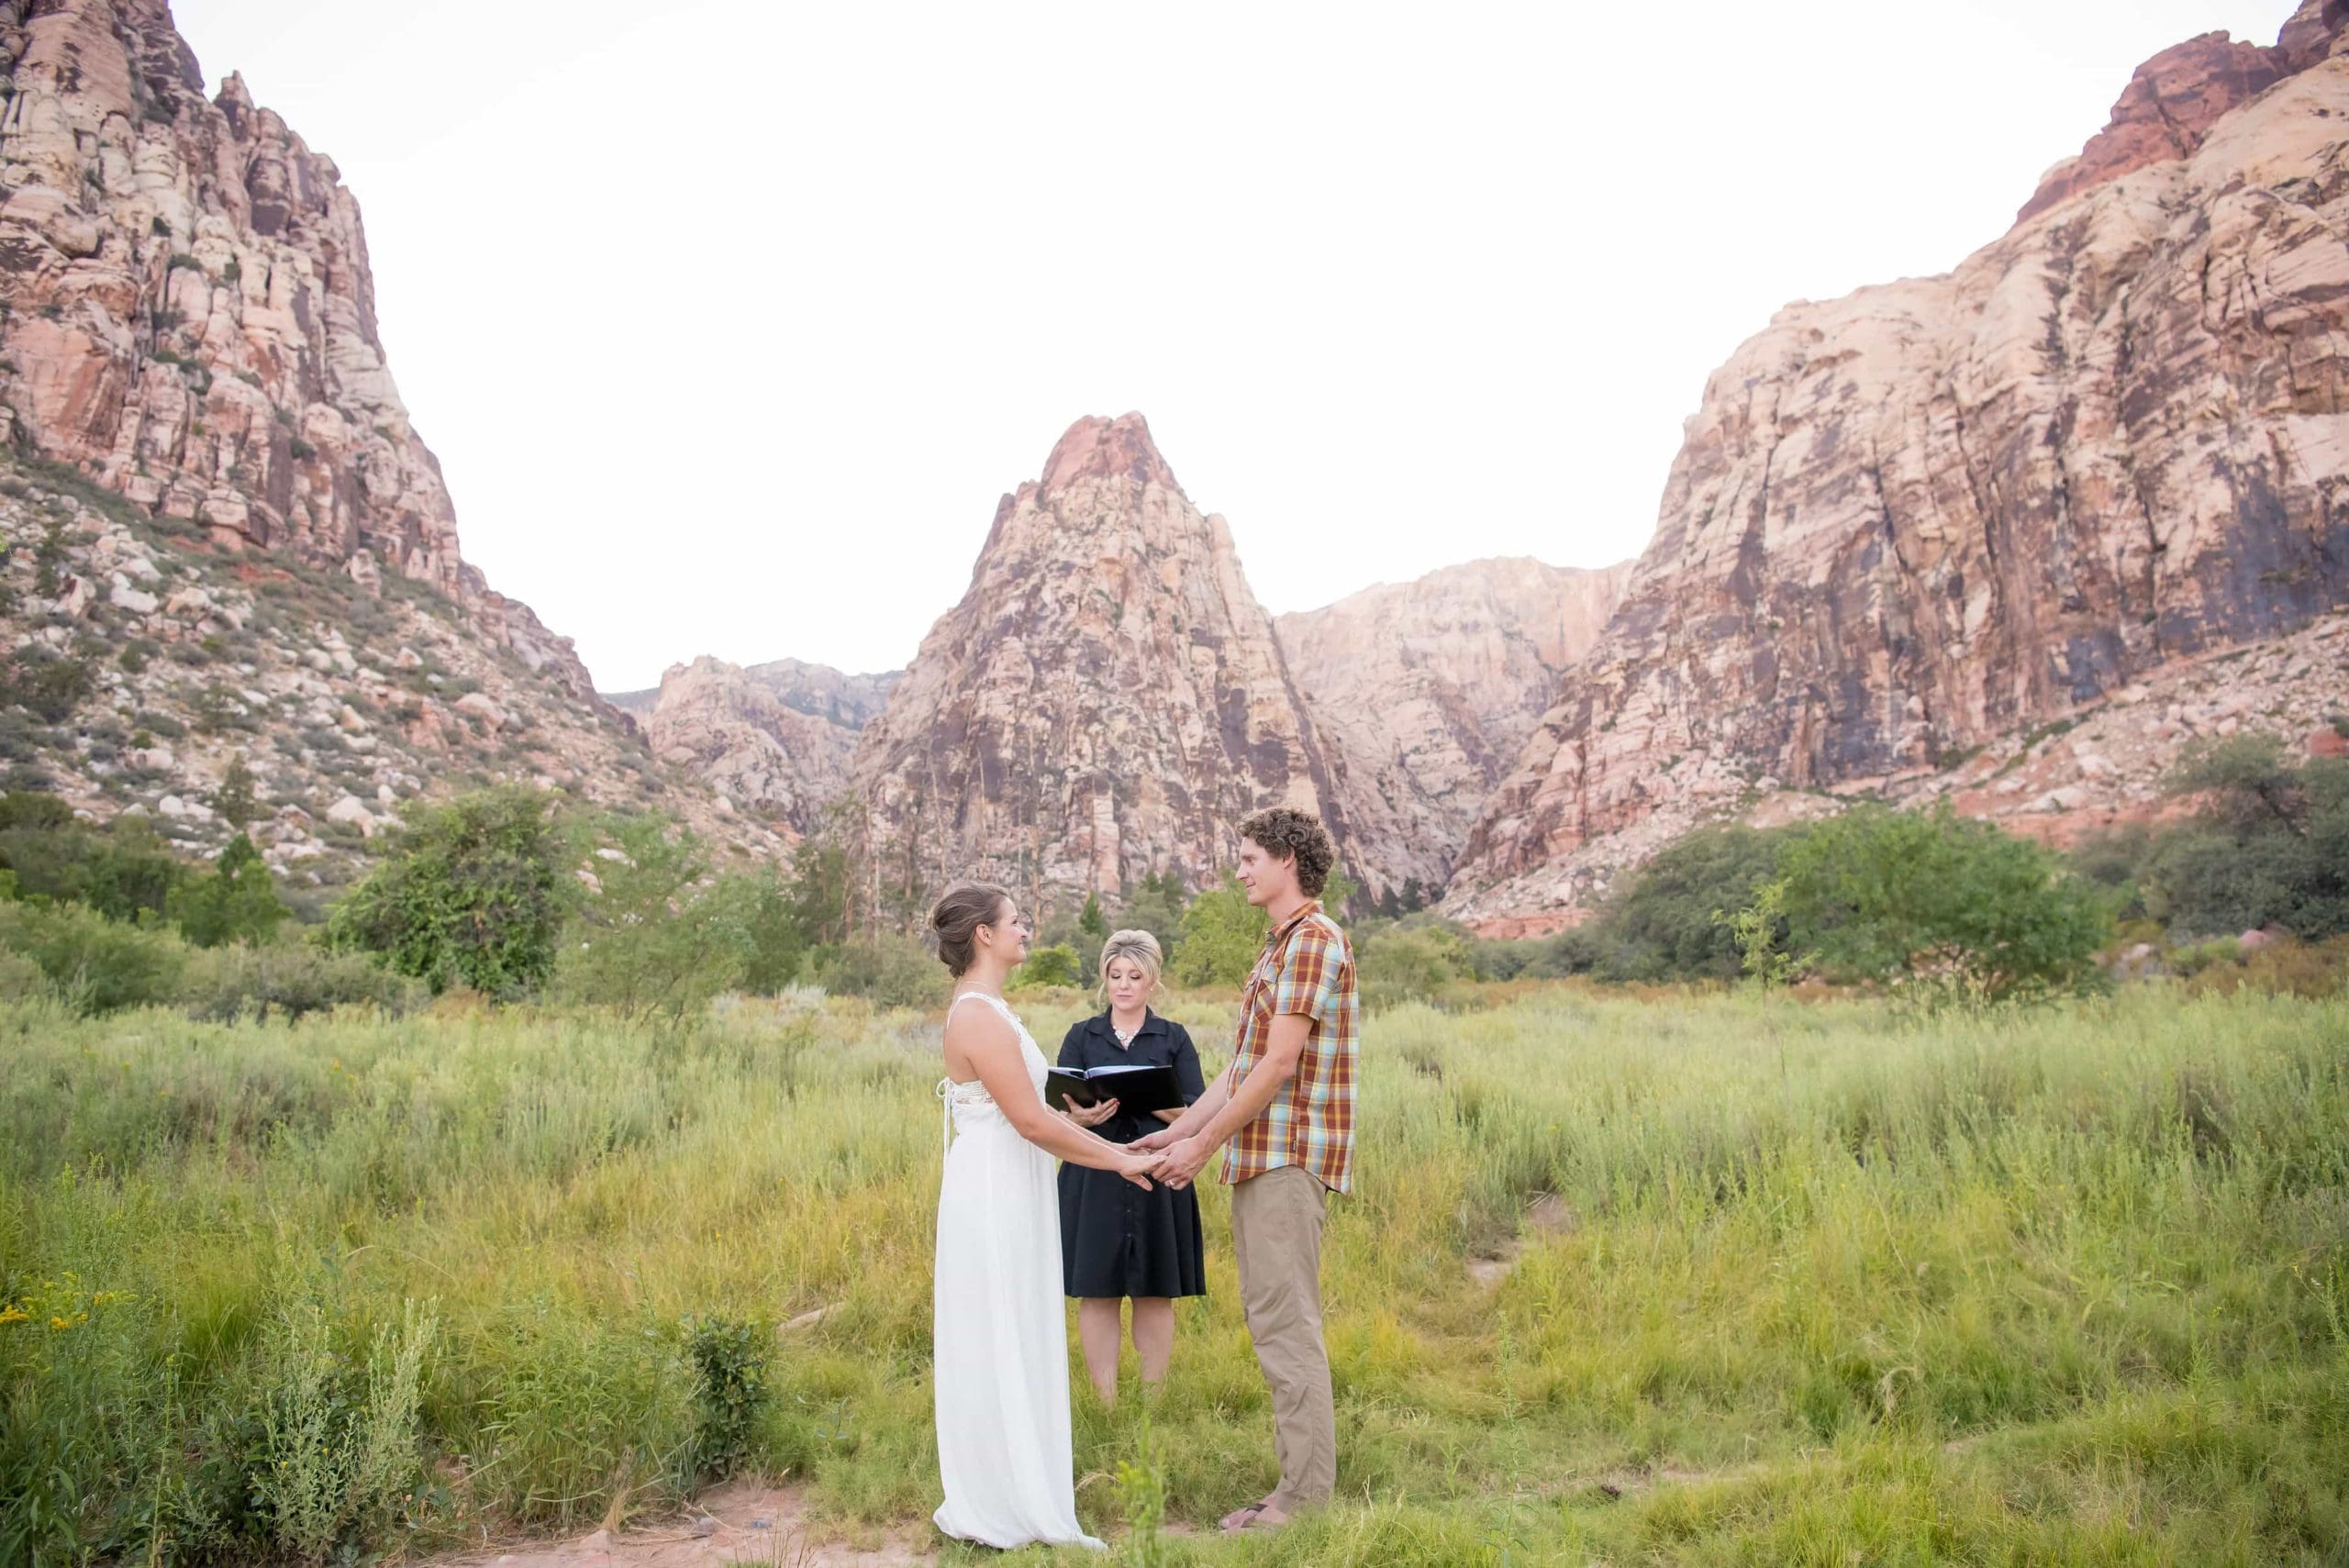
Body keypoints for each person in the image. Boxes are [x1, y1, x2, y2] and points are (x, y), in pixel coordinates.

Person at [1139, 807, 1357, 1534]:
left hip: (1288, 1158)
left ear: (1288, 858)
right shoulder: (1279, 946)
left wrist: (1200, 1150)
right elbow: (1240, 1068)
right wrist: (1176, 1133)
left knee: (1286, 1324)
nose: (1240, 868)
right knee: (1273, 1321)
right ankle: (1294, 1488)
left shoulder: (1315, 941)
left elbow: (1278, 1065)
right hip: (1260, 1157)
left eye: (1250, 855)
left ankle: (1302, 1504)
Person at [929, 883, 1160, 1551]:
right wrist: (1118, 1160)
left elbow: (1031, 1109)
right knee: (997, 1328)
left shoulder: (995, 1008)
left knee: (1018, 1326)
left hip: (1014, 1177)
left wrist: (1075, 1117)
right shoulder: (975, 1014)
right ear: (984, 936)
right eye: (1016, 921)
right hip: (994, 1186)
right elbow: (1025, 1122)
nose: (1025, 929)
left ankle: (1019, 1485)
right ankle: (1000, 1501)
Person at [1055, 929, 1208, 1403]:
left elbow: (1198, 1114)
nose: (1124, 984)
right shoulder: (1082, 1035)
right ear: (1104, 979)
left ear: (1152, 981)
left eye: (1134, 976)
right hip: (1093, 1175)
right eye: (1115, 975)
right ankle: (1105, 1403)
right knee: (1096, 1289)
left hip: (1158, 1173)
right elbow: (1057, 1110)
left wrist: (1153, 1102)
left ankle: (1152, 1402)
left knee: (1154, 1290)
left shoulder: (1174, 1037)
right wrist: (1078, 1115)